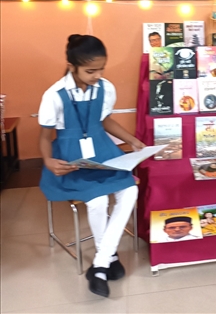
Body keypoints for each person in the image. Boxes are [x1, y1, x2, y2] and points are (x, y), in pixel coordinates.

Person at [38, 35, 146, 298]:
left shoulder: (105, 88)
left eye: (101, 69)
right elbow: (44, 136)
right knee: (97, 201)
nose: (97, 75)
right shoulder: (54, 95)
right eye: (90, 71)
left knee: (130, 190)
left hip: (103, 151)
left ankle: (100, 263)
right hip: (71, 157)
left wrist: (132, 140)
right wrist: (48, 161)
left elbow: (104, 120)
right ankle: (108, 258)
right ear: (72, 66)